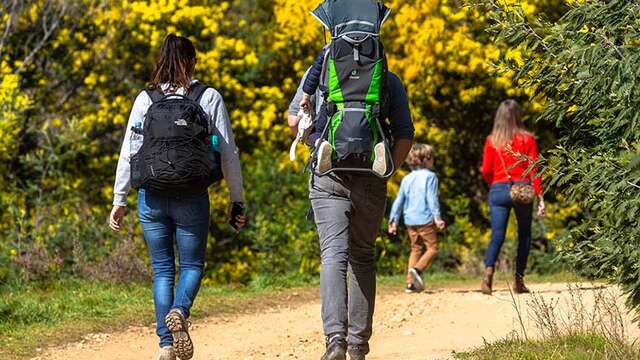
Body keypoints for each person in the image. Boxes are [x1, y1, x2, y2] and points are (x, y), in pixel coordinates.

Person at [109, 34, 246, 360]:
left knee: (162, 270)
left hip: (151, 197)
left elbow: (129, 152)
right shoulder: (207, 96)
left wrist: (119, 199)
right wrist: (236, 198)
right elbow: (228, 152)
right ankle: (181, 311)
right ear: (193, 61)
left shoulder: (147, 98)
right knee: (193, 265)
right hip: (192, 195)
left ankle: (165, 347)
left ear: (160, 62)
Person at [289, 68, 414, 360]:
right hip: (371, 174)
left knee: (333, 255)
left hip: (328, 174)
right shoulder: (386, 77)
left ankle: (335, 340)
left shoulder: (317, 75)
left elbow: (294, 120)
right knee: (362, 255)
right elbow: (405, 134)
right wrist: (387, 171)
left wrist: (313, 135)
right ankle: (357, 345)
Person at [480, 99, 545, 296]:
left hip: (498, 189)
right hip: (522, 188)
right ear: (518, 115)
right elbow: (534, 170)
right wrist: (540, 195)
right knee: (524, 235)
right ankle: (518, 280)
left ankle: (488, 275)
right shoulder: (527, 139)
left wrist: (496, 184)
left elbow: (485, 170)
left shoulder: (492, 140)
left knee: (497, 235)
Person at [388, 144, 445, 293]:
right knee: (432, 248)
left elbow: (399, 200)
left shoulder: (407, 178)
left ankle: (410, 284)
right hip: (425, 218)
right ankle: (417, 270)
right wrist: (437, 217)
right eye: (432, 158)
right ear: (426, 160)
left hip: (409, 220)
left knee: (416, 249)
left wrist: (393, 220)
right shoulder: (430, 176)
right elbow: (431, 199)